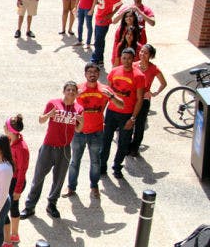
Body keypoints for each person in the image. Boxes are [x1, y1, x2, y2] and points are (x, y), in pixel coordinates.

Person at [20, 82, 85, 220]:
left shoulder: (78, 108)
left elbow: (79, 129)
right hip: (48, 147)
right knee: (38, 177)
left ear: (76, 93)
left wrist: (82, 121)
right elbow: (41, 120)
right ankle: (30, 207)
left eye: (73, 90)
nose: (71, 92)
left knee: (59, 179)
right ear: (64, 91)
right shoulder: (53, 103)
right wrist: (50, 114)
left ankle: (52, 204)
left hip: (64, 149)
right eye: (68, 90)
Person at [65, 64, 124, 200]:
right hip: (79, 132)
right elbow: (64, 104)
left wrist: (112, 97)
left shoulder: (105, 89)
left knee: (95, 162)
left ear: (98, 75)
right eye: (89, 72)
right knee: (74, 161)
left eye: (95, 72)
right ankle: (71, 187)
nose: (92, 74)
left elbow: (121, 104)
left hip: (96, 132)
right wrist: (73, 97)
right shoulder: (77, 89)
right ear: (85, 74)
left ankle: (94, 186)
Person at [101, 49, 145, 179]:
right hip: (111, 112)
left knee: (123, 143)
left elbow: (139, 99)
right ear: (121, 58)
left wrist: (133, 118)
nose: (126, 61)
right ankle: (102, 166)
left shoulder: (138, 76)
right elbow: (107, 93)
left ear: (133, 59)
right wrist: (102, 111)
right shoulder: (114, 71)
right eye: (124, 58)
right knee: (106, 140)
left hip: (127, 114)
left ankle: (117, 167)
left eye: (129, 58)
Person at [0, 115, 29, 247]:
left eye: (5, 127)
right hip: (9, 179)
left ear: (10, 130)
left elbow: (22, 170)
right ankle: (14, 235)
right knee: (12, 207)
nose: (3, 128)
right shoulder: (9, 141)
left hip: (15, 182)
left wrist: (17, 190)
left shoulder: (21, 148)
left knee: (6, 209)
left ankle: (8, 241)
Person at [130, 44, 166, 157]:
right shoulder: (133, 65)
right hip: (131, 99)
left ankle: (135, 148)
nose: (142, 54)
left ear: (150, 55)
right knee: (129, 123)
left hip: (144, 100)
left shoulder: (154, 68)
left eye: (145, 53)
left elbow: (163, 83)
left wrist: (154, 93)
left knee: (140, 125)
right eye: (141, 51)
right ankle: (127, 146)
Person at [90, 0, 122, 67]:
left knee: (98, 41)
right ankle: (100, 60)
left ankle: (95, 59)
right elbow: (98, 0)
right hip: (98, 18)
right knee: (98, 40)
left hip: (104, 20)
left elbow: (119, 3)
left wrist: (111, 14)